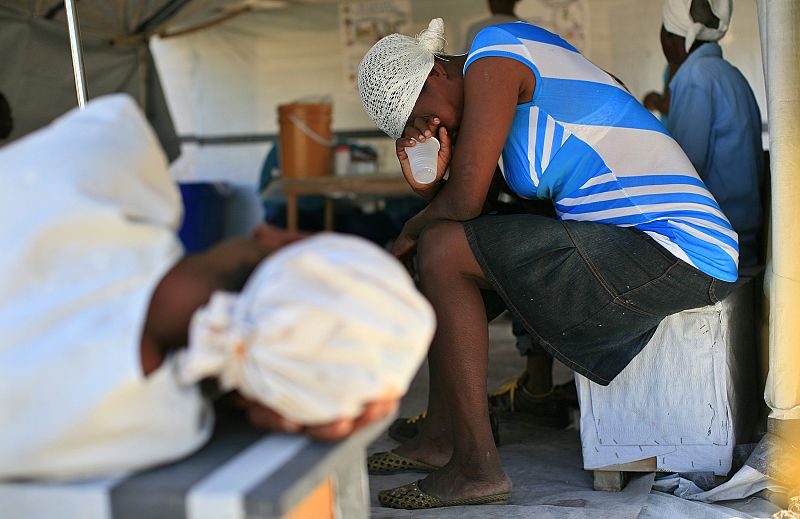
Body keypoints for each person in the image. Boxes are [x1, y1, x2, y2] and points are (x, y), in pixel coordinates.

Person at [358, 18, 738, 509]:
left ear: (434, 76)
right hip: (638, 248)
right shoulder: (495, 106)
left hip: (677, 250)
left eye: (417, 118)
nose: (426, 131)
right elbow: (479, 212)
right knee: (443, 257)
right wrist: (431, 188)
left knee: (438, 251)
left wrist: (408, 231)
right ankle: (440, 436)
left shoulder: (494, 53)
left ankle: (476, 467)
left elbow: (466, 204)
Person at [0, 95, 434, 480]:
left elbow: (106, 121)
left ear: (276, 237)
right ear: (268, 405)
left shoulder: (107, 165)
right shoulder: (159, 431)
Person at [660, 0, 763, 267]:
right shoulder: (731, 74)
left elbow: (682, 172)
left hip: (713, 248)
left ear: (670, 36)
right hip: (744, 241)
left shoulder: (696, 77)